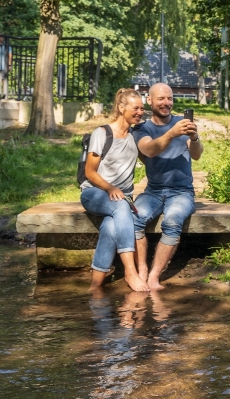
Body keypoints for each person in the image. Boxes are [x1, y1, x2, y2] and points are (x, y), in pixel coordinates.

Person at [132, 83, 204, 291]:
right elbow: (149, 150)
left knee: (172, 221)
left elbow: (196, 155)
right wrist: (172, 133)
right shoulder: (142, 128)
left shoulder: (183, 123)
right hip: (153, 191)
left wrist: (194, 137)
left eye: (170, 98)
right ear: (150, 101)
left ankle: (154, 276)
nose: (167, 103)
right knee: (135, 218)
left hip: (182, 192)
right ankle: (142, 269)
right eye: (161, 99)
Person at [80, 88, 149, 292]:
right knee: (120, 206)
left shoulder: (135, 136)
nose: (140, 112)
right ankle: (130, 271)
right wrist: (110, 188)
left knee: (110, 227)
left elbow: (151, 157)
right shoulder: (102, 133)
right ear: (121, 107)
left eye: (142, 109)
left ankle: (95, 287)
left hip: (120, 198)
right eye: (135, 108)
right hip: (94, 193)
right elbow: (89, 172)